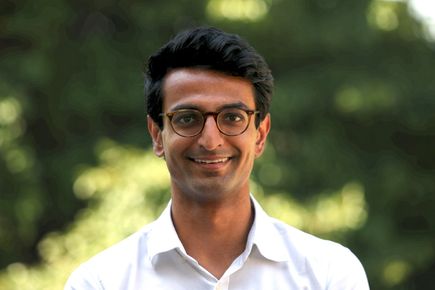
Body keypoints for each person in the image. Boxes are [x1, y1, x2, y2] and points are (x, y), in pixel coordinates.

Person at [65, 26, 370, 290]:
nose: (211, 141)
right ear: (157, 134)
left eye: (233, 117)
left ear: (260, 134)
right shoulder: (102, 282)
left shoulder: (329, 275)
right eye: (187, 118)